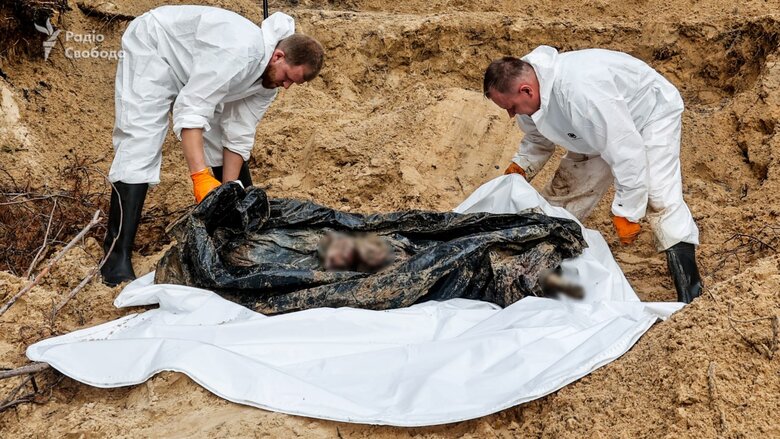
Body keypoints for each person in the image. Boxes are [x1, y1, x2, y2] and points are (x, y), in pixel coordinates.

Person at [101, 5, 325, 286]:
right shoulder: (239, 52)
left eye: (294, 83)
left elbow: (239, 133)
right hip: (156, 47)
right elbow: (192, 108)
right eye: (288, 78)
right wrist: (201, 178)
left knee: (218, 139)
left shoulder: (271, 79)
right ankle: (115, 255)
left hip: (196, 65)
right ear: (278, 56)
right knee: (141, 139)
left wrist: (227, 191)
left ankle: (229, 231)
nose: (287, 87)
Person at [483, 46, 702, 303]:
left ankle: (691, 293)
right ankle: (543, 282)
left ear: (526, 91)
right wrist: (521, 167)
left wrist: (628, 211)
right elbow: (537, 138)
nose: (510, 114)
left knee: (659, 197)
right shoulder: (532, 95)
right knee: (558, 208)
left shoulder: (581, 92)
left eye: (510, 107)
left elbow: (626, 151)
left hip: (648, 116)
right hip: (592, 132)